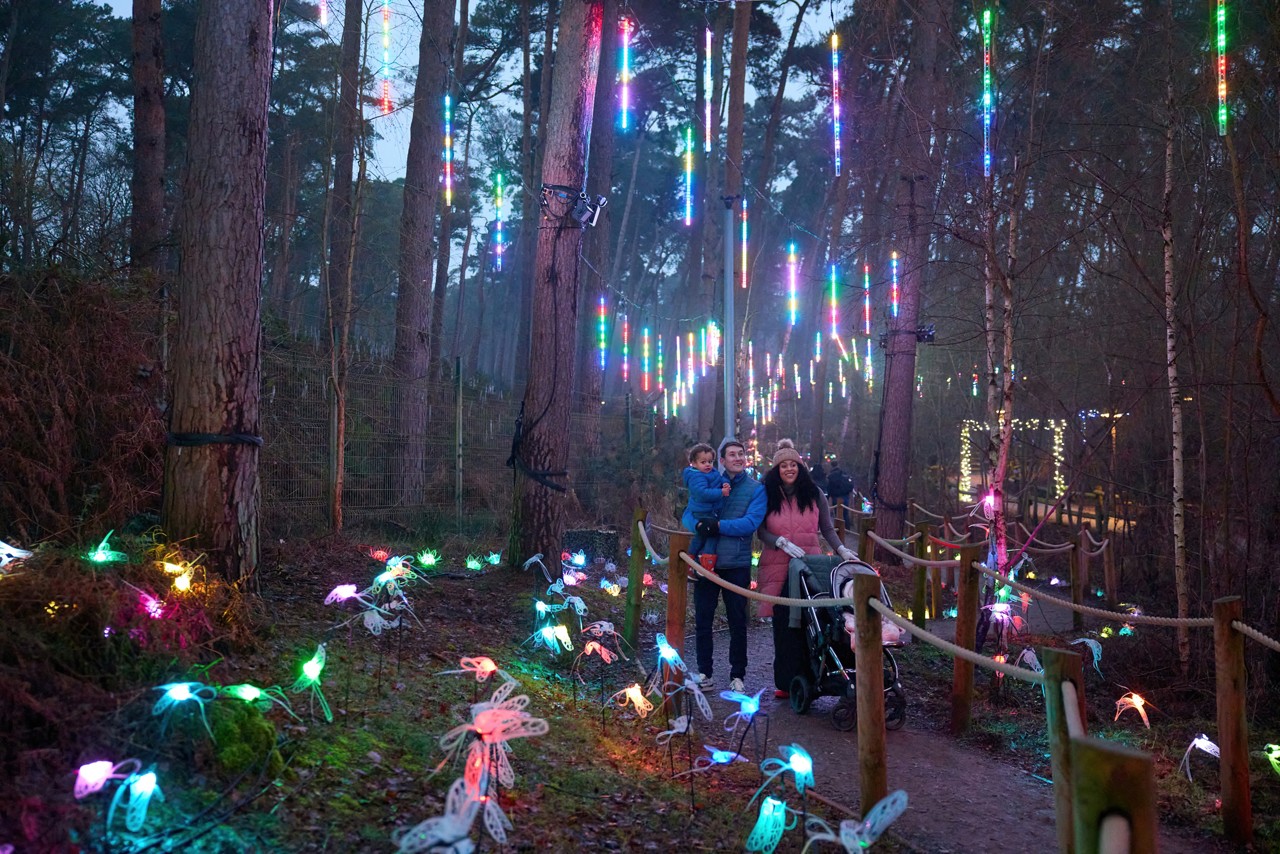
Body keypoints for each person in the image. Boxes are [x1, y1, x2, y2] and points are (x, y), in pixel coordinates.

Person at [756, 439, 858, 697]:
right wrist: (778, 541)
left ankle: (815, 677)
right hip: (778, 566)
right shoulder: (766, 494)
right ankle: (787, 682)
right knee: (784, 626)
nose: (789, 469)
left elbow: (826, 528)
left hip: (809, 565)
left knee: (810, 623)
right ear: (776, 470)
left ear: (800, 468)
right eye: (783, 466)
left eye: (793, 465)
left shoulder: (815, 495)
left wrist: (841, 550)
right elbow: (760, 529)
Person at [691, 438, 766, 694]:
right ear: (722, 460)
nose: (737, 458)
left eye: (741, 454)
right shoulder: (708, 481)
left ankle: (737, 675)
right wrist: (697, 525)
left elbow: (750, 523)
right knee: (703, 619)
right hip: (706, 562)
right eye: (731, 455)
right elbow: (691, 511)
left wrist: (719, 526)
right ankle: (704, 673)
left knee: (737, 621)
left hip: (736, 563)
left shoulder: (756, 489)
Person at [681, 443, 730, 569]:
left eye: (710, 461)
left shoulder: (711, 472)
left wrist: (725, 483)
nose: (708, 465)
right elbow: (702, 493)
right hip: (702, 511)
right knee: (711, 536)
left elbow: (720, 478)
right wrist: (721, 492)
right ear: (694, 463)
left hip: (710, 511)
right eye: (703, 462)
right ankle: (706, 565)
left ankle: (691, 561)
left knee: (701, 536)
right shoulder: (696, 476)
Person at [826, 460, 854, 526]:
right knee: (845, 513)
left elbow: (829, 488)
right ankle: (847, 528)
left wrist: (828, 497)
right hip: (845, 496)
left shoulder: (830, 476)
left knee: (837, 513)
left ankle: (839, 528)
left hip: (836, 497)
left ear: (831, 466)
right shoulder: (844, 474)